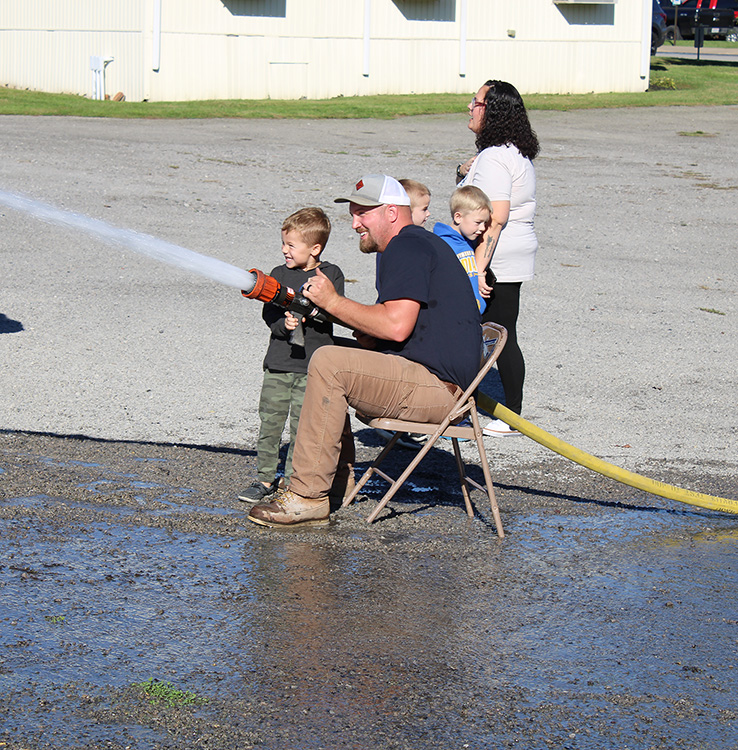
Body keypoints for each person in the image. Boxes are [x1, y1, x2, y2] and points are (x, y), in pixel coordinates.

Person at [247, 174, 482, 529]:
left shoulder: (407, 246)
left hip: (438, 389)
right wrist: (358, 328)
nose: (355, 223)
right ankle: (337, 481)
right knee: (322, 349)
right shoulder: (412, 245)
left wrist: (333, 301)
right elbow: (399, 330)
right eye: (354, 214)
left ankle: (307, 496)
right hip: (430, 377)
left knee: (328, 360)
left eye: (363, 214)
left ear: (391, 212)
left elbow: (395, 326)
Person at [238, 207, 345, 503]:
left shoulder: (330, 275)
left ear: (315, 249)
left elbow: (336, 310)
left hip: (312, 366)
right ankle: (264, 479)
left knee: (302, 426)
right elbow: (268, 313)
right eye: (283, 243)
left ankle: (291, 480)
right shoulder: (278, 275)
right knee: (270, 421)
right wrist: (283, 326)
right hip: (278, 363)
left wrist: (314, 309)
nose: (284, 250)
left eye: (291, 245)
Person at [456, 80, 540, 437]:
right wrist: (463, 173)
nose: (470, 108)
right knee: (491, 332)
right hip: (509, 253)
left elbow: (496, 216)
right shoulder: (508, 152)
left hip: (497, 256)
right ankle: (465, 404)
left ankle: (511, 414)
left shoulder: (495, 157)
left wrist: (477, 269)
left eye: (476, 103)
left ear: (493, 111)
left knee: (498, 333)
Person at [432, 185, 491, 313]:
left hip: (471, 313)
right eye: (478, 222)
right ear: (458, 217)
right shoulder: (443, 245)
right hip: (454, 313)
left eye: (485, 223)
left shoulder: (468, 240)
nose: (482, 228)